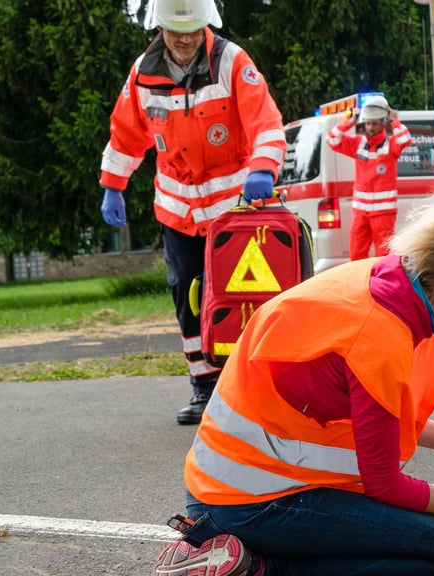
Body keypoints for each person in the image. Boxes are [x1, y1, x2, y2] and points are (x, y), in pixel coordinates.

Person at [149, 172, 434, 576]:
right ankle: (256, 567)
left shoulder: (371, 279)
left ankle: (228, 546)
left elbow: (376, 413)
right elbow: (385, 484)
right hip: (249, 502)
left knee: (427, 524)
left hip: (230, 482)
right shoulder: (381, 335)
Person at [98, 0, 287, 425]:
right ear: (160, 26)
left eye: (191, 30)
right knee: (188, 296)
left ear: (207, 23)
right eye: (174, 30)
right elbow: (127, 134)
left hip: (234, 209)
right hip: (177, 208)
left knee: (247, 297)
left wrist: (262, 168)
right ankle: (204, 389)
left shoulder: (232, 62)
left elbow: (266, 123)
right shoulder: (144, 73)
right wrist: (113, 185)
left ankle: (255, 388)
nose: (183, 39)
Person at [326, 94, 412, 260]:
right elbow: (331, 139)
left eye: (373, 123)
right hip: (360, 213)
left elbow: (405, 138)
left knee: (383, 256)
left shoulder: (391, 145)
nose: (369, 127)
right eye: (367, 123)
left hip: (383, 214)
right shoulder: (358, 143)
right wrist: (348, 123)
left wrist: (394, 119)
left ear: (383, 123)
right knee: (356, 255)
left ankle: (382, 284)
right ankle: (360, 285)